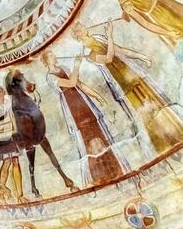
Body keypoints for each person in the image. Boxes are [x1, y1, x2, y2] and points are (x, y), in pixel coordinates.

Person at [72, 21, 183, 155]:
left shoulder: (99, 38)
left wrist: (142, 57)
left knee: (157, 103)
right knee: (146, 114)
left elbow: (120, 50)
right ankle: (165, 146)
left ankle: (179, 133)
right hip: (122, 82)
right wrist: (110, 36)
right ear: (78, 35)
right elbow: (108, 58)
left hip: (131, 73)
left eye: (82, 25)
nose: (84, 27)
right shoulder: (87, 52)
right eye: (80, 28)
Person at [42, 50, 129, 187]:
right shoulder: (50, 78)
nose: (54, 56)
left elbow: (79, 84)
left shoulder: (64, 68)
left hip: (85, 105)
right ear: (45, 61)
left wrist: (97, 96)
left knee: (102, 138)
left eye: (53, 54)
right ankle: (100, 178)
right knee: (88, 144)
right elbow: (71, 83)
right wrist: (77, 65)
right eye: (50, 56)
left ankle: (116, 171)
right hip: (74, 110)